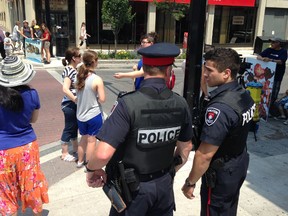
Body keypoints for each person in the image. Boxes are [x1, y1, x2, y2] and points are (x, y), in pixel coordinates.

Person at [85, 43, 193, 216]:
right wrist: (167, 173)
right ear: (168, 72)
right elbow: (185, 148)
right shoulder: (181, 104)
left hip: (133, 192)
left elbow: (103, 154)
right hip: (164, 187)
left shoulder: (128, 104)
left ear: (145, 70)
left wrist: (91, 170)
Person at [181, 48, 255, 216]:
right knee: (228, 209)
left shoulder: (220, 109)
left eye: (209, 70)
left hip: (220, 174)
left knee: (214, 210)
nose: (205, 74)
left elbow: (204, 155)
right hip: (237, 162)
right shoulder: (242, 94)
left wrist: (190, 182)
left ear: (226, 73)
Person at [0, 56, 49, 215]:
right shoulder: (32, 94)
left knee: (6, 193)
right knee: (31, 185)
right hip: (27, 147)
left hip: (3, 150)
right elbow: (33, 120)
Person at [76, 50, 105, 168]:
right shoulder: (97, 79)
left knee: (83, 138)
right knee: (92, 140)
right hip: (93, 114)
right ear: (94, 62)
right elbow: (102, 99)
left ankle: (79, 161)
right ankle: (89, 165)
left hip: (80, 115)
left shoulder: (79, 77)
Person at [60, 47, 82, 162]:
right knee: (69, 128)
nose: (81, 57)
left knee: (74, 127)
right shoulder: (69, 70)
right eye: (79, 56)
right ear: (74, 58)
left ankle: (75, 148)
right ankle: (64, 153)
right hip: (69, 104)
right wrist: (75, 99)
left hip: (72, 104)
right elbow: (65, 88)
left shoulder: (74, 69)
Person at [257, 37, 287, 107]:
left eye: (273, 42)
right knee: (266, 90)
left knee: (274, 91)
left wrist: (270, 60)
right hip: (266, 75)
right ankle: (264, 105)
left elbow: (281, 61)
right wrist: (262, 59)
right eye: (271, 42)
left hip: (277, 74)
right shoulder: (269, 50)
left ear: (278, 43)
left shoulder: (283, 51)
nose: (271, 44)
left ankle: (273, 107)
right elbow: (258, 56)